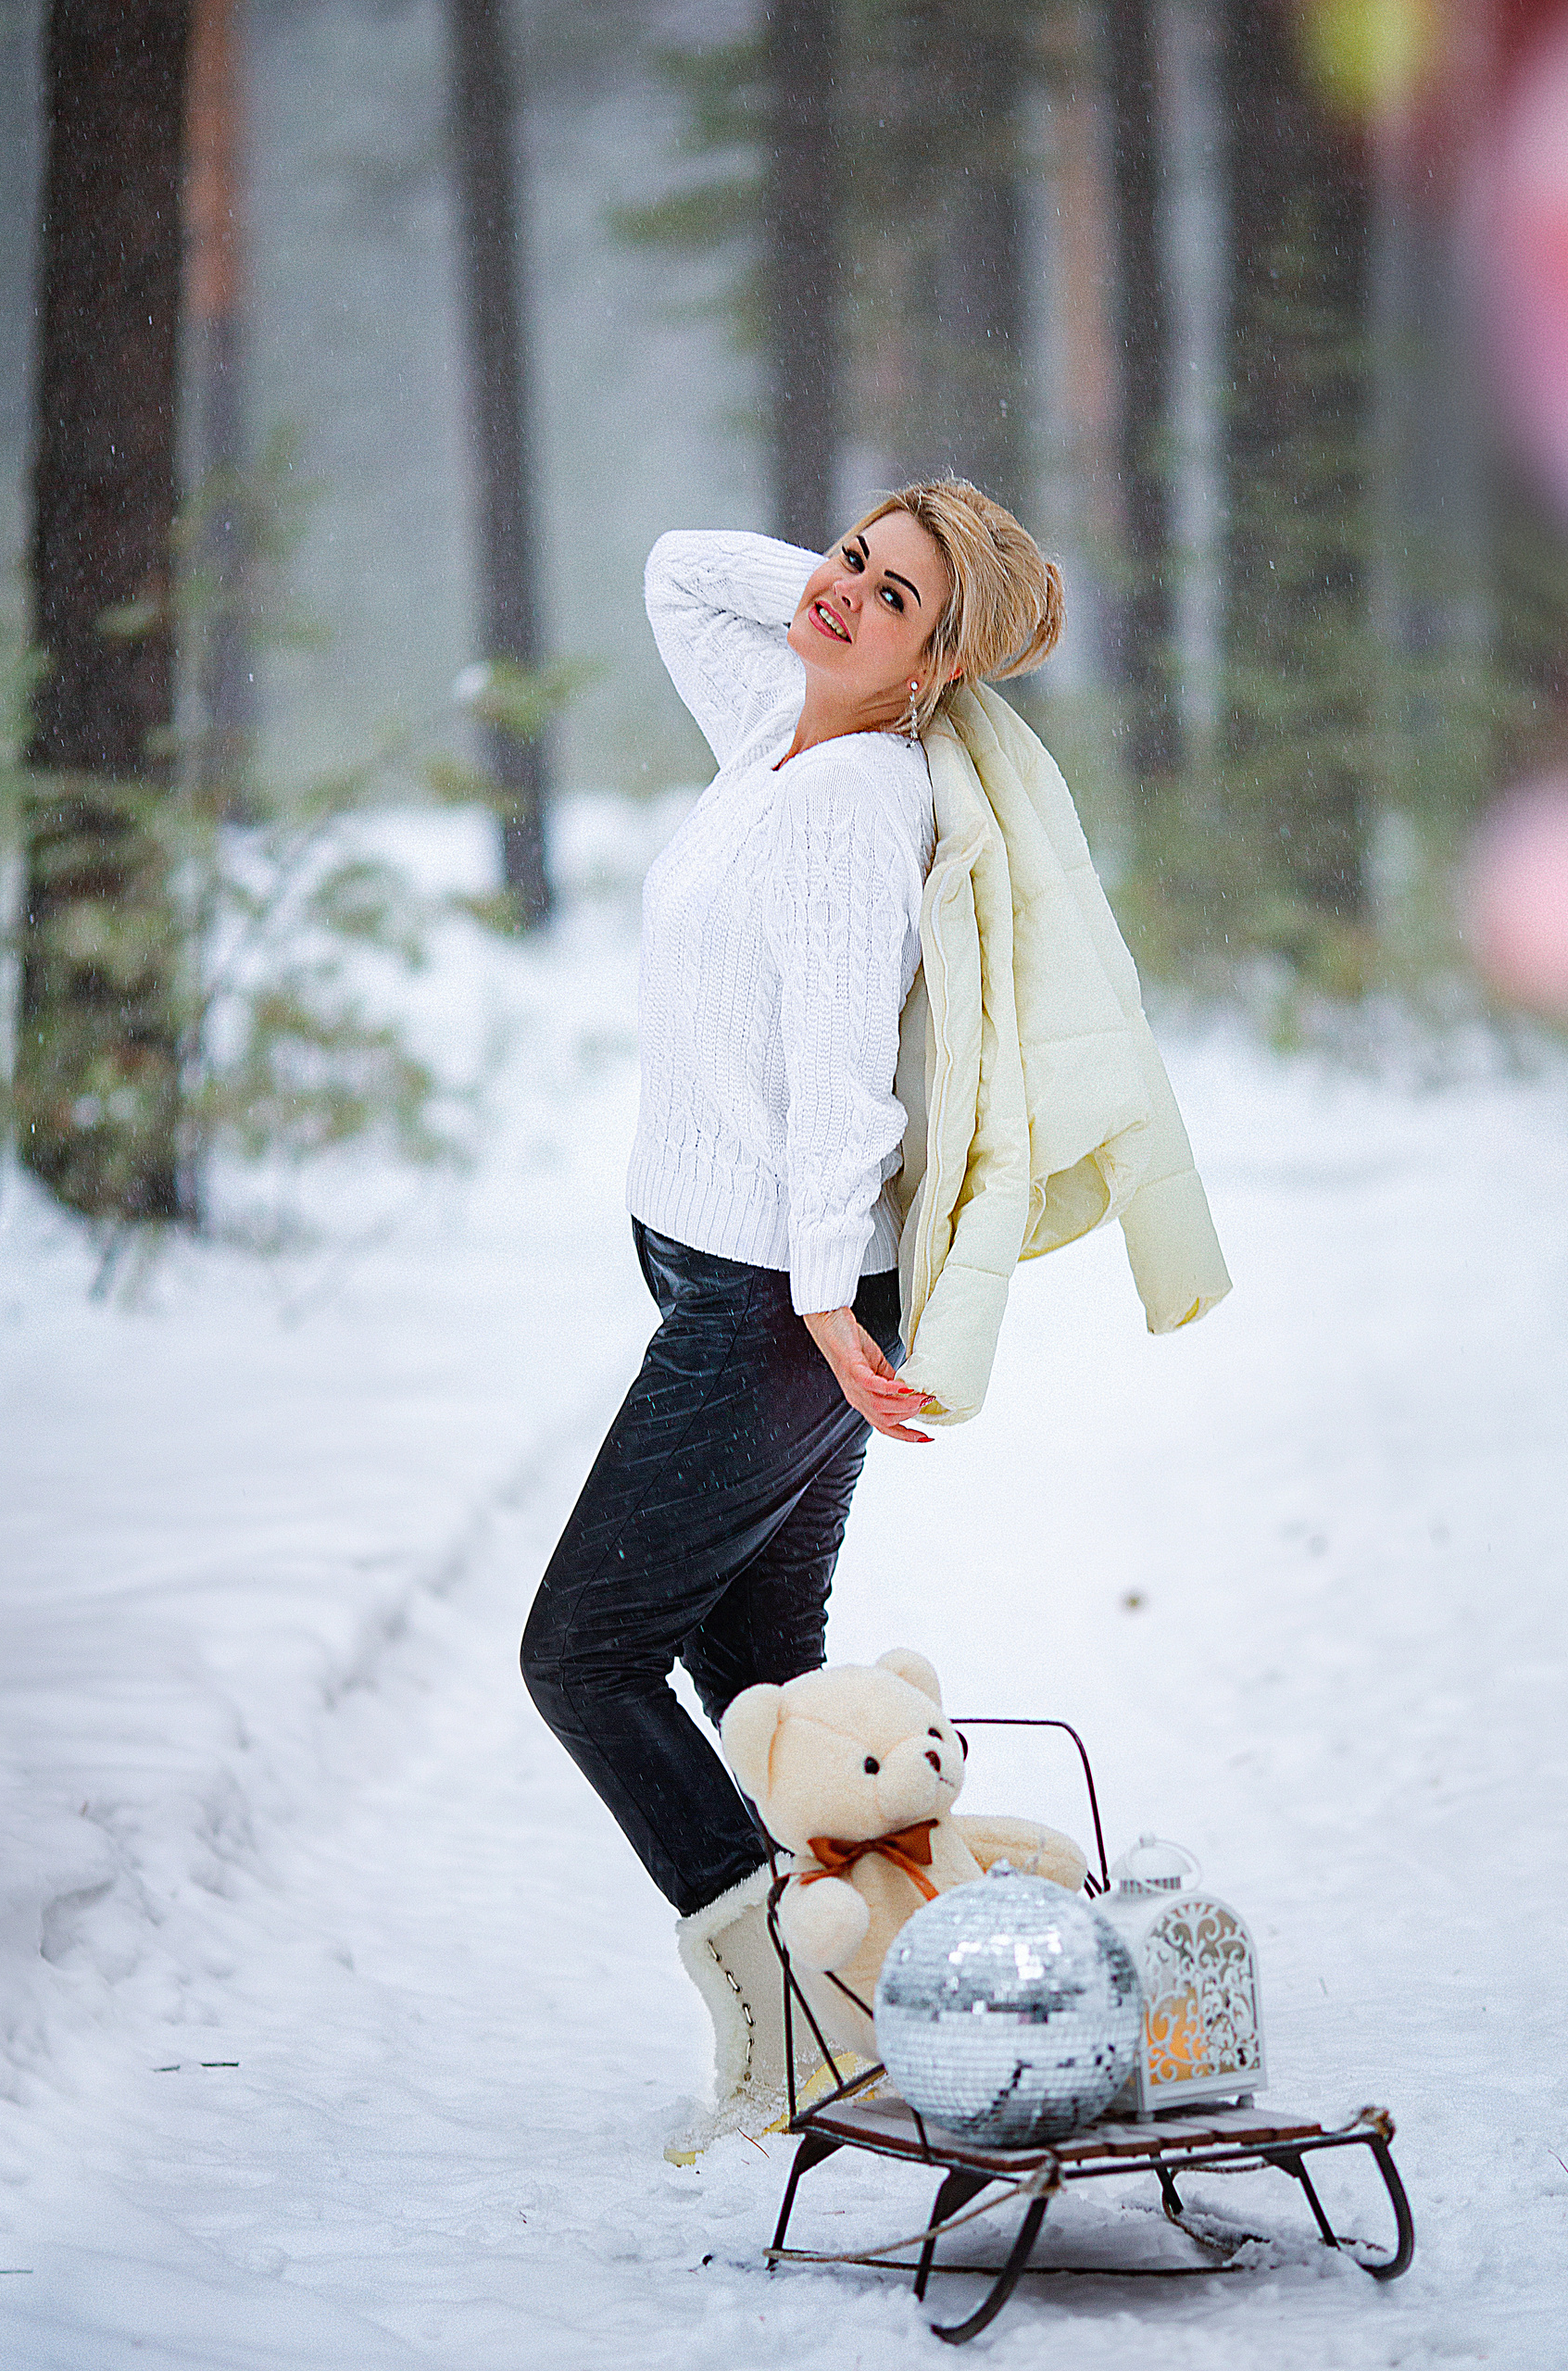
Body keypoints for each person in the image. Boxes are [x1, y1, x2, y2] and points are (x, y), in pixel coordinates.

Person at [519, 480, 1065, 2127]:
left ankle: (760, 1987)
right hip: (724, 1270)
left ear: (936, 673)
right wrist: (884, 592)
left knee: (587, 1651)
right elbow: (681, 567)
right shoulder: (782, 721)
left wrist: (826, 1307)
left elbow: (846, 1088)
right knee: (759, 1673)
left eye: (890, 600)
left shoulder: (856, 801)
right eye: (846, 557)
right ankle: (869, 1998)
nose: (834, 594)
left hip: (774, 1295)